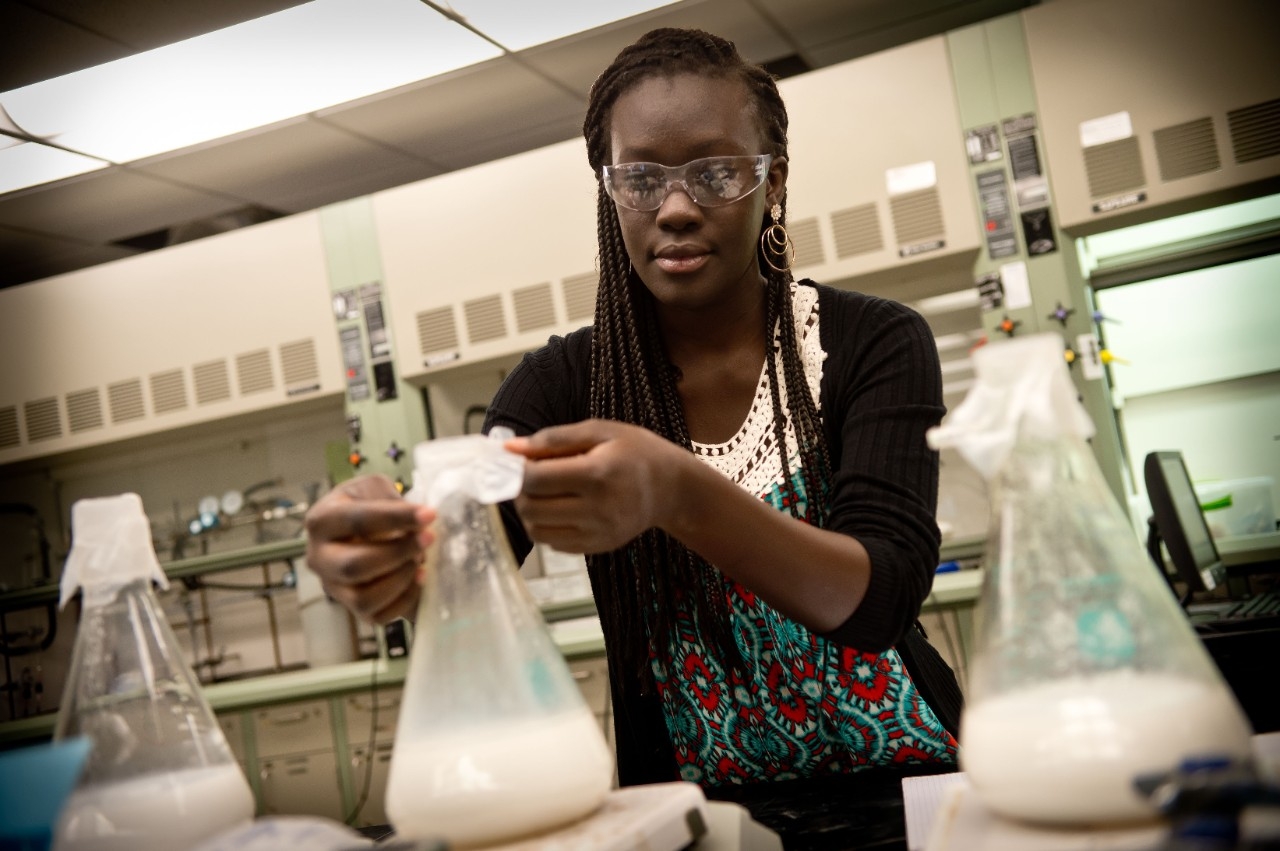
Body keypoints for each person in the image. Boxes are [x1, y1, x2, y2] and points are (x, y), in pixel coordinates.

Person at [304, 27, 962, 851]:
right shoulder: (562, 386)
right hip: (692, 825)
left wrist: (675, 490)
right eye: (641, 178)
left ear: (773, 180)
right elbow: (454, 566)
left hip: (913, 805)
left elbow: (879, 598)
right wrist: (377, 548)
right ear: (610, 190)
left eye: (717, 172)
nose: (677, 207)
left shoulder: (872, 342)